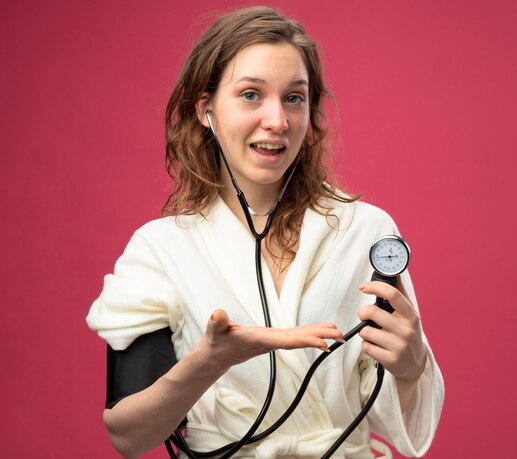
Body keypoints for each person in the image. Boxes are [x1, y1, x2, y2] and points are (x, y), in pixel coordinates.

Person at [87, 6, 444, 459]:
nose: (277, 121)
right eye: (251, 95)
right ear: (206, 110)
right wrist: (209, 362)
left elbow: (405, 416)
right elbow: (128, 435)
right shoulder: (160, 250)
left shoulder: (367, 232)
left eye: (294, 98)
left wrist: (412, 366)